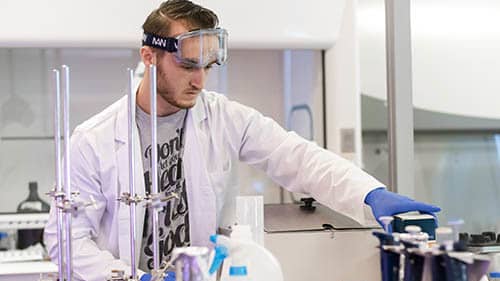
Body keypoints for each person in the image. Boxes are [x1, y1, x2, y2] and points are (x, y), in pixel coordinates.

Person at [44, 0, 440, 280]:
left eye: (208, 66)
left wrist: (370, 194)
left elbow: (297, 157)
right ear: (149, 56)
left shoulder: (222, 117)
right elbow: (66, 241)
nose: (199, 79)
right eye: (187, 65)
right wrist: (130, 277)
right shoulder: (93, 140)